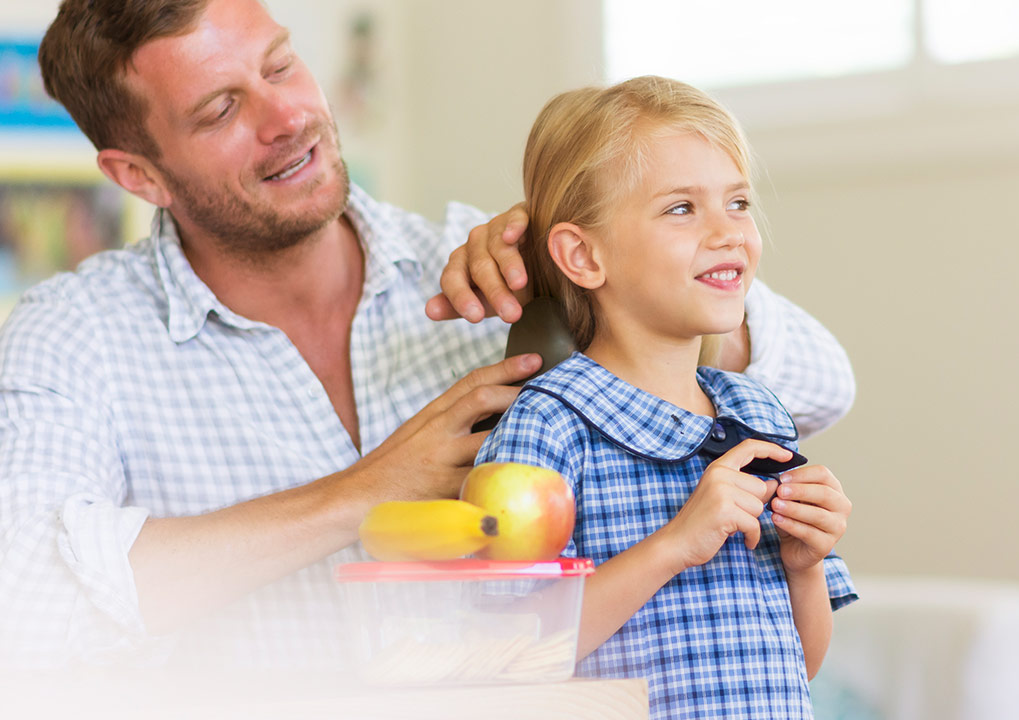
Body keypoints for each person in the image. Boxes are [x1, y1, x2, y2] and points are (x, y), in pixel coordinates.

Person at [0, 0, 854, 671]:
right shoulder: (76, 338)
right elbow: (25, 613)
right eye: (222, 108)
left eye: (282, 65)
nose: (286, 117)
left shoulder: (499, 274)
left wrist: (605, 274)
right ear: (136, 174)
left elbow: (820, 385)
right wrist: (357, 495)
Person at [474, 76, 856, 719]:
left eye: (738, 202)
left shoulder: (758, 415)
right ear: (583, 255)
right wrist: (675, 543)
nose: (730, 231)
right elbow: (508, 652)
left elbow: (801, 666)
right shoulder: (547, 425)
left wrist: (804, 564)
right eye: (682, 208)